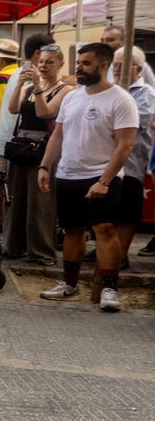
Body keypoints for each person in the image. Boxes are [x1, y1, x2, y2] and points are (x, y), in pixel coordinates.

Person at [38, 43, 138, 312]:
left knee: (104, 229)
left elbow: (125, 145)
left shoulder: (121, 99)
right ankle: (69, 284)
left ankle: (109, 289)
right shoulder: (72, 97)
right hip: (69, 173)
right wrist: (45, 167)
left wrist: (104, 181)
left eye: (85, 63)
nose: (78, 68)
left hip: (101, 175)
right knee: (72, 230)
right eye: (78, 63)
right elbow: (57, 135)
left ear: (103, 66)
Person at [2, 44, 73, 264]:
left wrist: (36, 87)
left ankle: (41, 251)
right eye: (41, 61)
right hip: (21, 146)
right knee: (15, 198)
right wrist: (20, 85)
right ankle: (13, 246)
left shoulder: (65, 90)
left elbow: (46, 112)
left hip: (44, 148)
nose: (43, 66)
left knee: (40, 202)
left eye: (50, 62)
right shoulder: (31, 86)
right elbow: (13, 109)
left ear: (60, 64)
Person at [108, 45, 155, 267]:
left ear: (136, 68)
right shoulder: (109, 89)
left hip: (132, 162)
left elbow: (139, 121)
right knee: (108, 209)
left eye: (121, 65)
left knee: (127, 211)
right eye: (114, 64)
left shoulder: (146, 93)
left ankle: (121, 253)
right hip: (107, 162)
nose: (116, 68)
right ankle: (107, 249)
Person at [0, 33, 57, 163]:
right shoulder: (30, 77)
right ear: (38, 53)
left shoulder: (19, 72)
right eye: (52, 52)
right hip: (20, 146)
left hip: (12, 144)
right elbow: (27, 111)